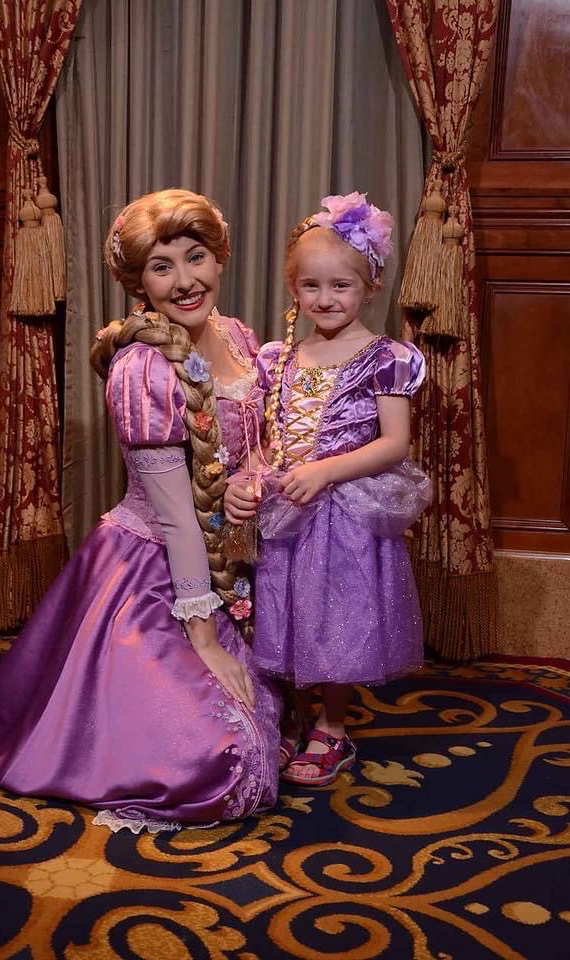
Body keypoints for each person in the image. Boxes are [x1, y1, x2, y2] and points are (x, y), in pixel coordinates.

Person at [0, 188, 280, 833]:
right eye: (161, 266)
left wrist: (254, 483)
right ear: (137, 281)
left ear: (220, 256)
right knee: (225, 763)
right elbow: (176, 519)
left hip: (230, 559)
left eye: (194, 256)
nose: (184, 280)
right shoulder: (141, 370)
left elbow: (254, 442)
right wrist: (203, 637)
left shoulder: (236, 336)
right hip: (150, 579)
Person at [225, 190, 431, 787]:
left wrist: (325, 471)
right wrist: (252, 475)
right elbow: (263, 435)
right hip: (286, 506)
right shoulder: (277, 357)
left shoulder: (386, 357)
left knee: (338, 617)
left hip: (345, 510)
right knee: (285, 611)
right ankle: (291, 712)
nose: (325, 299)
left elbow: (395, 444)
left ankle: (333, 728)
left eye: (341, 286)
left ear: (371, 287)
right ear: (294, 288)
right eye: (311, 286)